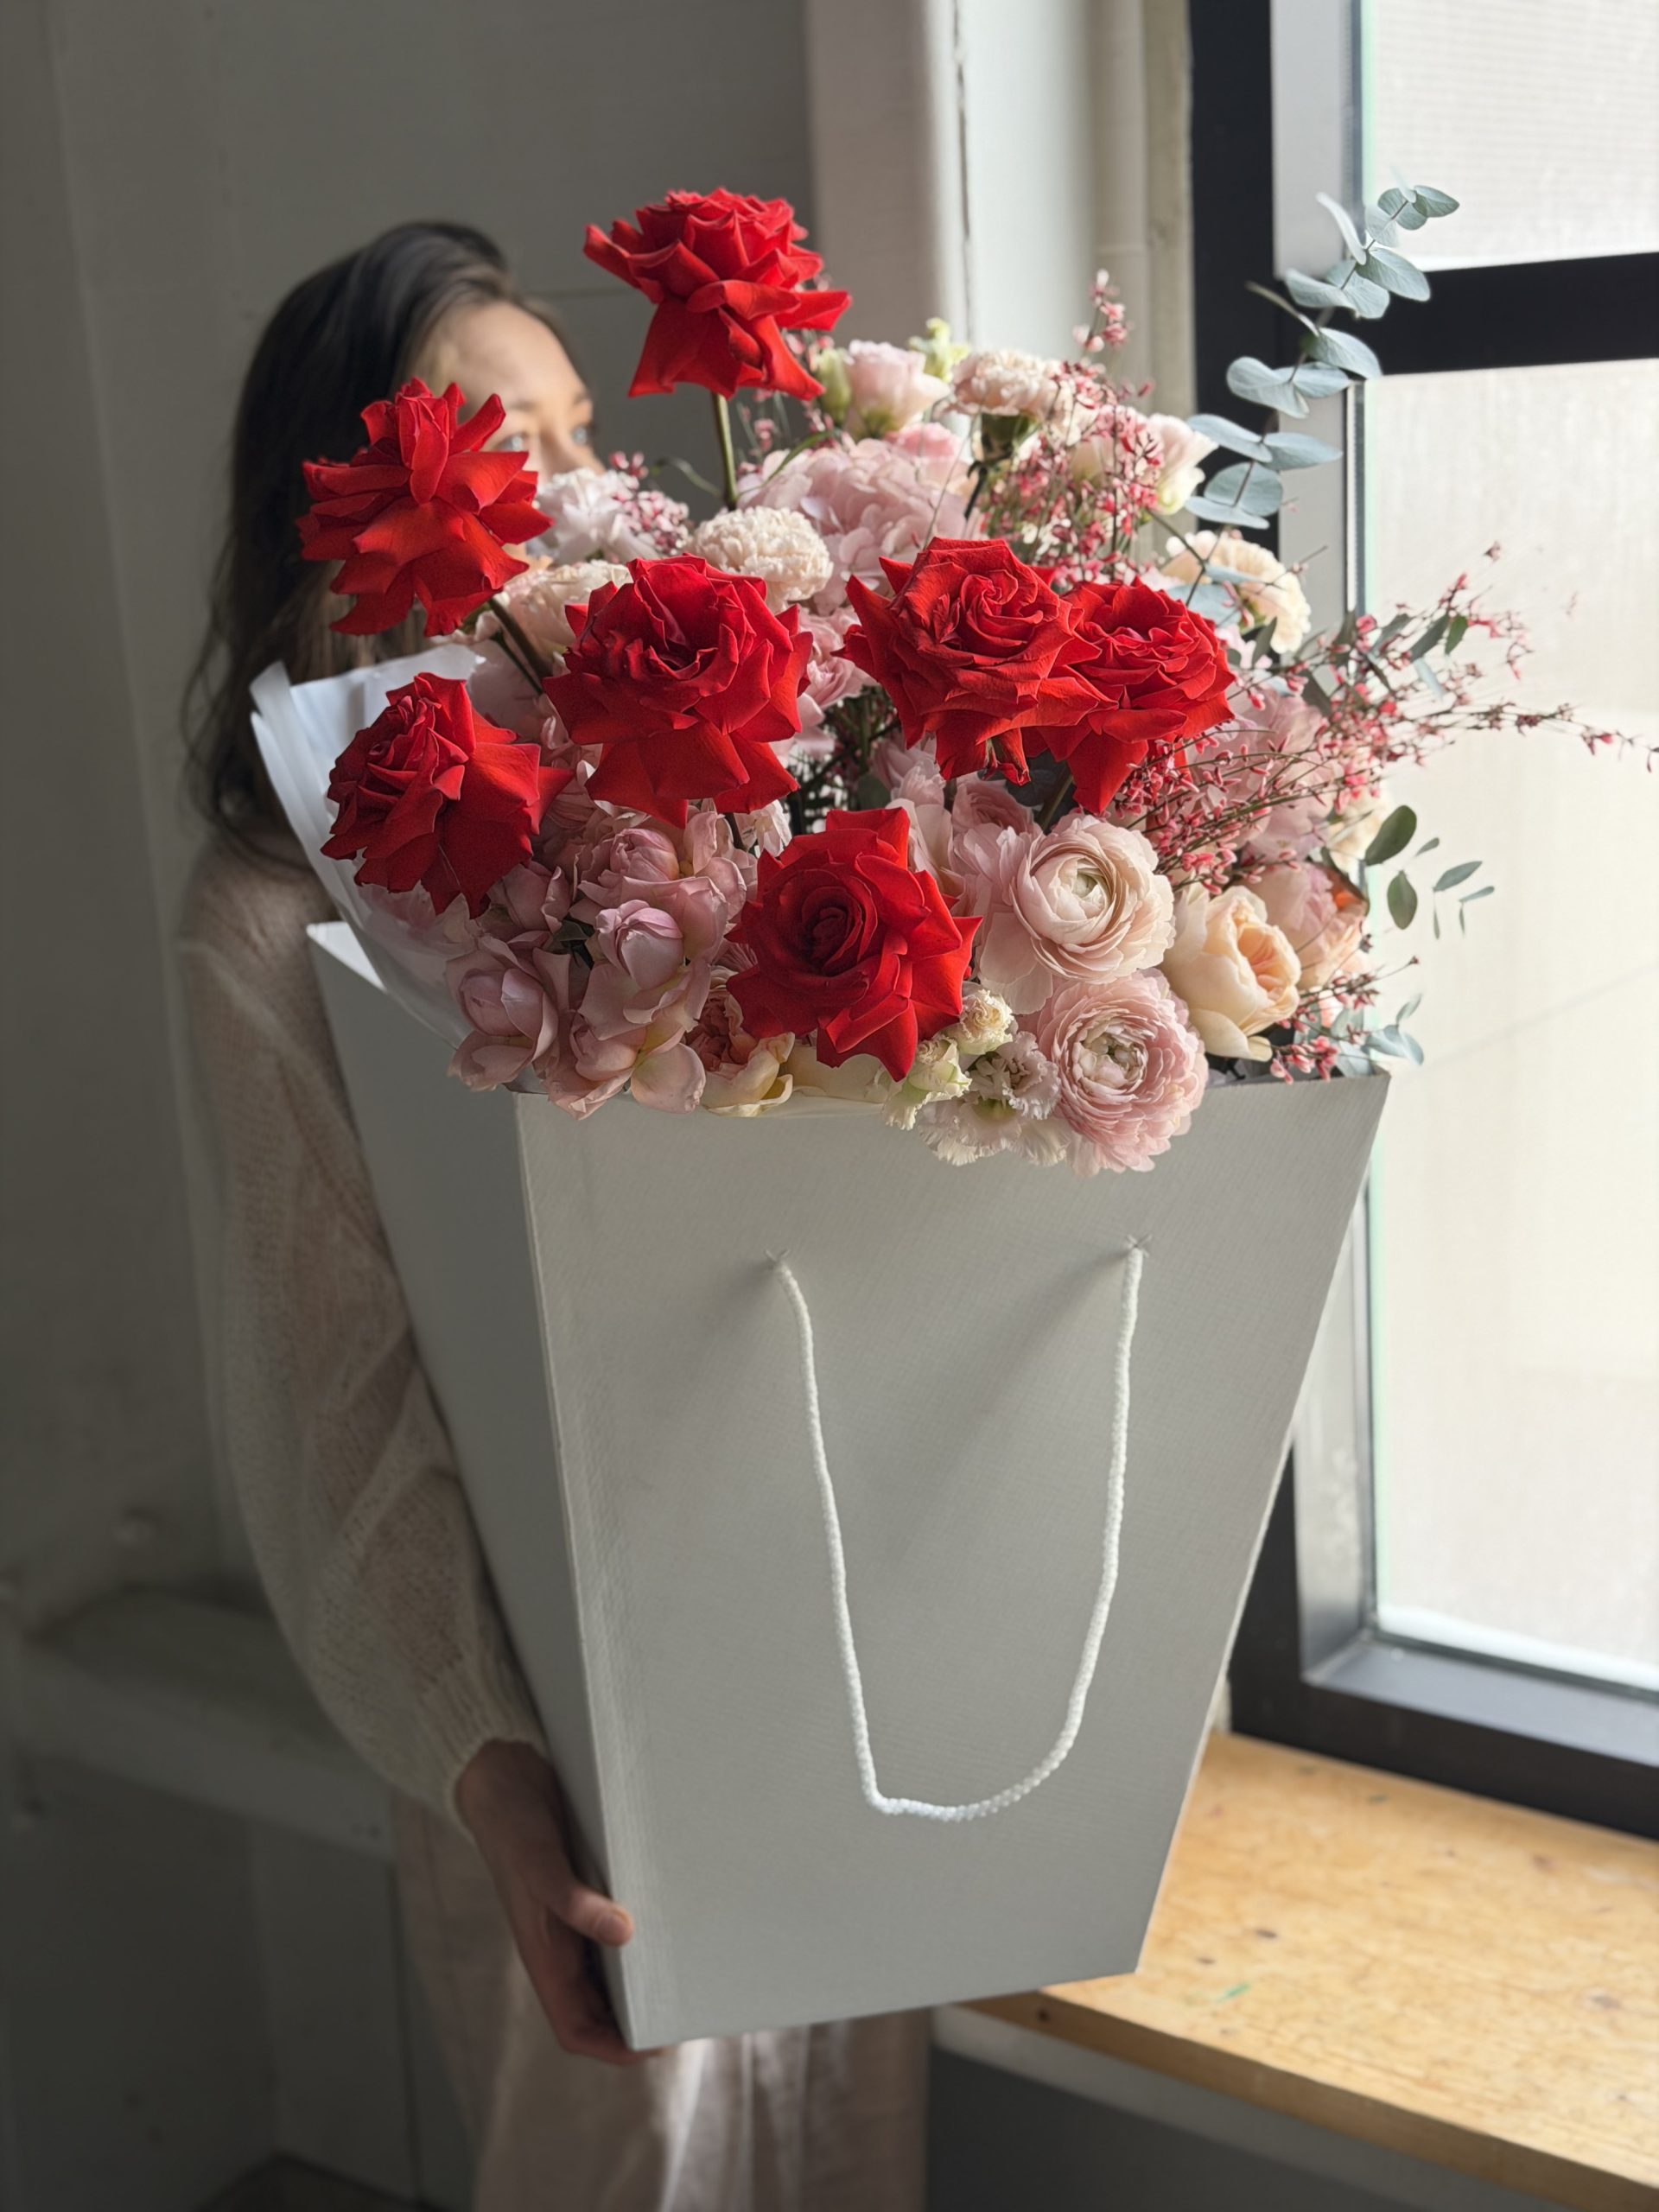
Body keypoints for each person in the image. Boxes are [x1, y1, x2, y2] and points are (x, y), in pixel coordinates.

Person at [180, 220, 927, 2212]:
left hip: (790, 1635)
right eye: (509, 443)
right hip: (543, 1717)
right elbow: (345, 1400)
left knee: (842, 2150)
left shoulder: (686, 816)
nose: (583, 487)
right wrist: (496, 1773)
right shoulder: (268, 925)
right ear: (352, 507)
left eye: (585, 428)